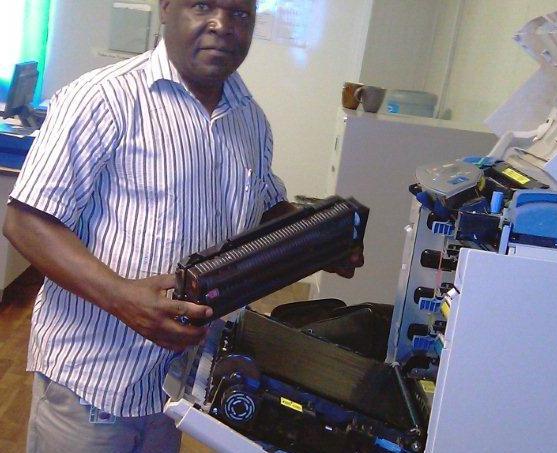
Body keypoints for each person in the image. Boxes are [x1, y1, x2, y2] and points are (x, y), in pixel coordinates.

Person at [3, 1, 361, 452]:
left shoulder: (249, 117)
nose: (222, 26)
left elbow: (265, 207)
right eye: (203, 5)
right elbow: (26, 220)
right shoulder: (102, 99)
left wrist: (320, 240)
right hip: (92, 382)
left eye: (240, 14)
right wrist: (122, 298)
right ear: (167, 8)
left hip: (177, 386)